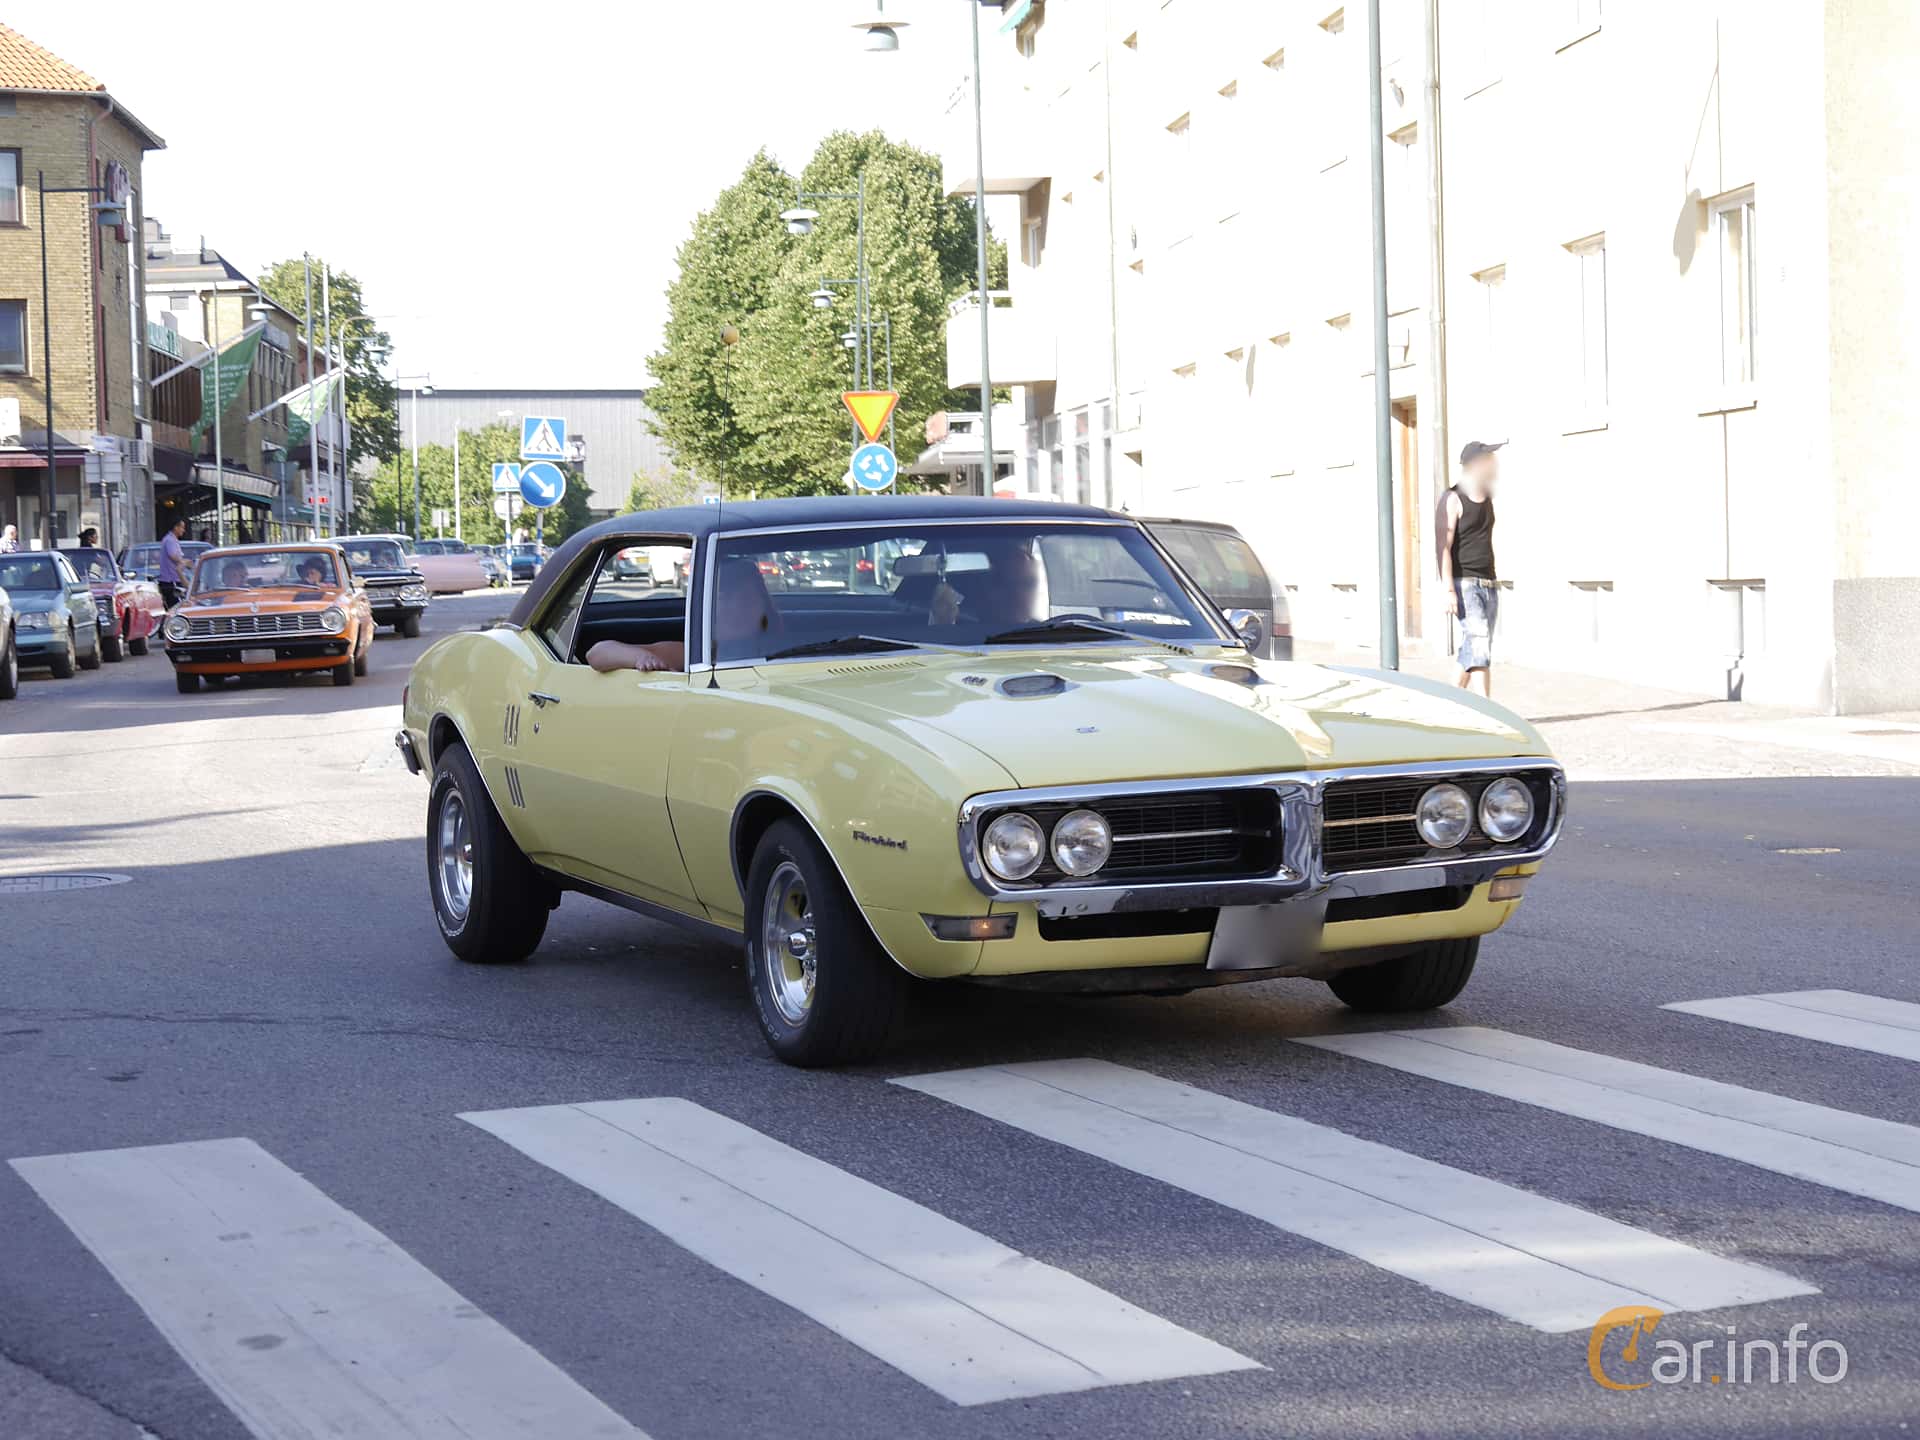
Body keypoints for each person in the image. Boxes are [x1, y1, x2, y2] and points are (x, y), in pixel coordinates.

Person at [587, 559, 776, 673]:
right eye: (725, 599)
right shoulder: (697, 653)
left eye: (747, 599)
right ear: (708, 611)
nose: (738, 608)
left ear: (764, 605)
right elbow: (598, 653)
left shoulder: (788, 645)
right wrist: (642, 658)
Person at [1437, 440, 1502, 698]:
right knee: (1479, 644)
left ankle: (1447, 703)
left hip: (1488, 582)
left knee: (1472, 649)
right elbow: (1443, 546)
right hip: (1464, 583)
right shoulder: (1452, 498)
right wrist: (1448, 590)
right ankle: (1486, 709)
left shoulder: (1486, 497)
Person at [929, 542, 1044, 631]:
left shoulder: (1050, 636)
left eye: (1029, 584)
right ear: (987, 587)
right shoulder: (962, 638)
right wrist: (944, 623)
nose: (1020, 595)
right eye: (1009, 584)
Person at [157, 519, 191, 607]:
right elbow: (173, 555)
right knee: (176, 607)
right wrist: (184, 562)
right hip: (171, 581)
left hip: (174, 580)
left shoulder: (173, 540)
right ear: (176, 527)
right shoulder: (170, 540)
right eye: (182, 528)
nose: (183, 530)